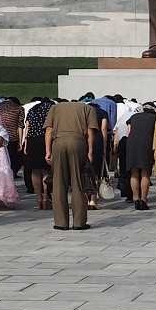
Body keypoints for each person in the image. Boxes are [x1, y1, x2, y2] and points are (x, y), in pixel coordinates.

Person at [44, 97, 96, 230]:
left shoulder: (55, 108)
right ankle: (79, 222)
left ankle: (61, 223)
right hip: (78, 142)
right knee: (77, 182)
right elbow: (90, 132)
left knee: (59, 183)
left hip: (59, 142)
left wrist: (48, 151)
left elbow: (49, 130)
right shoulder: (88, 108)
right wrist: (90, 151)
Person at [122, 104, 156, 211]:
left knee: (134, 172)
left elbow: (129, 130)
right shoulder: (154, 118)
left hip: (132, 144)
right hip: (146, 144)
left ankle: (136, 198)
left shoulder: (134, 117)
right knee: (145, 173)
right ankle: (143, 199)